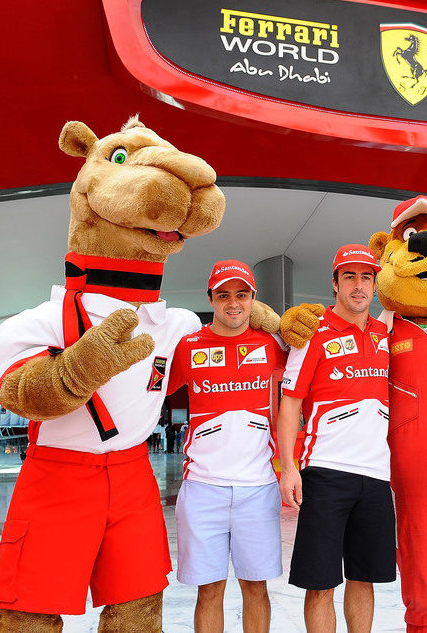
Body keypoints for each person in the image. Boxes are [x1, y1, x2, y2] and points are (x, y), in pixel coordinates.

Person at [165, 260, 289, 633]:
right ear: (211, 299)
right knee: (209, 591)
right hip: (202, 489)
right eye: (223, 295)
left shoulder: (272, 345)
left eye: (241, 294)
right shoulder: (188, 347)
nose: (233, 303)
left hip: (258, 488)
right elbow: (148, 393)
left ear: (253, 299)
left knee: (256, 589)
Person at [277, 244, 394, 633]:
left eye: (366, 277)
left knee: (364, 577)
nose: (358, 286)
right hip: (326, 474)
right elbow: (290, 404)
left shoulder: (385, 333)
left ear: (376, 285)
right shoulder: (313, 332)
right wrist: (289, 468)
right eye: (349, 277)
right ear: (334, 283)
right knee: (321, 582)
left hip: (377, 477)